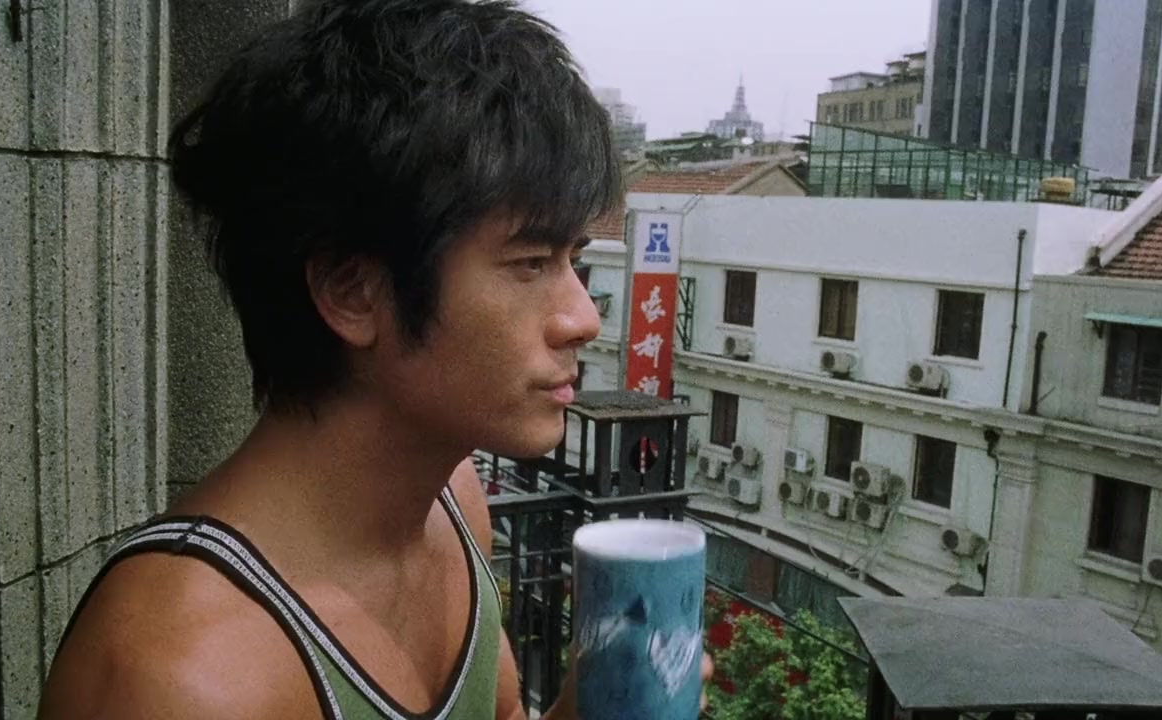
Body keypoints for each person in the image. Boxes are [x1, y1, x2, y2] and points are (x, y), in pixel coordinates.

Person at [38, 1, 709, 718]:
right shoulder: (180, 679)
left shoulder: (454, 503)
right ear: (352, 291)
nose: (583, 318)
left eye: (573, 259)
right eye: (529, 262)